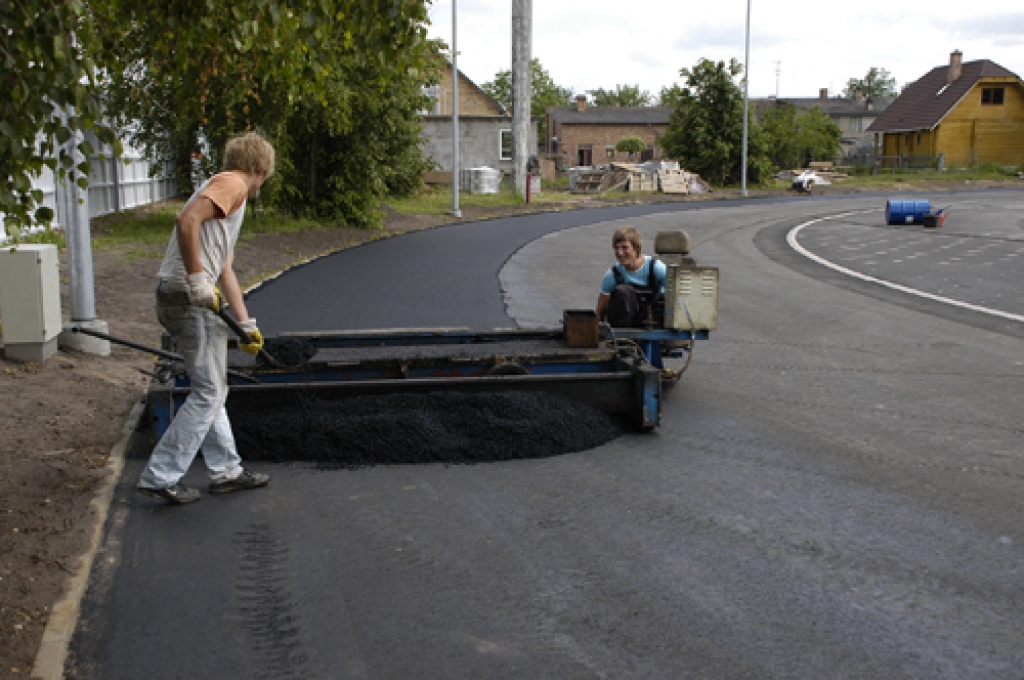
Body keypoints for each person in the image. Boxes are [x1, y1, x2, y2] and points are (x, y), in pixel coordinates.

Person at [136, 131, 274, 504]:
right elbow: (186, 221)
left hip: (186, 297)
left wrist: (245, 323)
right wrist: (197, 278)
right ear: (260, 169)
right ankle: (161, 475)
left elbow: (225, 267)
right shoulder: (234, 183)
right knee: (210, 391)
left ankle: (226, 470)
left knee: (213, 388)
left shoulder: (222, 190)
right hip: (187, 297)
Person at [596, 225, 667, 327]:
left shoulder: (656, 268)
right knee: (622, 292)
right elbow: (600, 311)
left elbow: (675, 295)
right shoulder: (612, 274)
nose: (620, 253)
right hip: (624, 327)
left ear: (636, 248)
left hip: (653, 322)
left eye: (625, 247)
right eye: (616, 248)